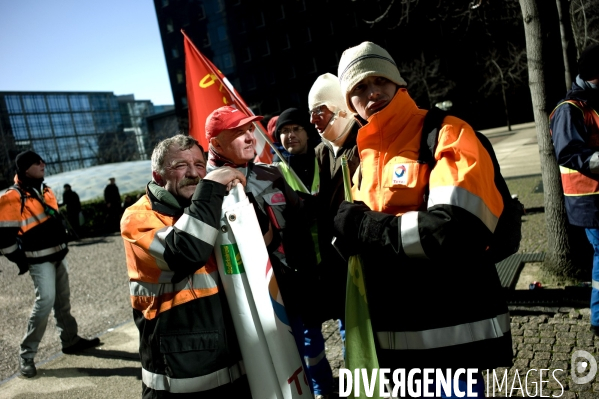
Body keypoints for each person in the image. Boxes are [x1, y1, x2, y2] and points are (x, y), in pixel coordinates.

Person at [333, 41, 513, 395]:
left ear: (398, 83)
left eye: (379, 80)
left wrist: (364, 227)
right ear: (350, 103)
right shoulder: (359, 157)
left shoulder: (446, 132)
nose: (372, 93)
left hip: (451, 341)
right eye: (359, 88)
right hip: (394, 346)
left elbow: (457, 229)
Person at [120, 134, 250, 398]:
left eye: (200, 165)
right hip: (179, 376)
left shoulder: (210, 204)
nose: (194, 173)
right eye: (180, 165)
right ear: (158, 177)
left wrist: (243, 202)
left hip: (232, 361)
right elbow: (186, 252)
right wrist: (212, 184)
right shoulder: (137, 217)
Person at [204, 105, 318, 392]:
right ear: (216, 144)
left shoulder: (271, 174)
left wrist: (306, 270)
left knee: (310, 351)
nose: (249, 137)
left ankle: (322, 389)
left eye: (249, 130)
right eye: (238, 133)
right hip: (247, 304)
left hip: (290, 286)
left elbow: (299, 223)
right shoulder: (203, 190)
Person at [0, 150, 101, 378]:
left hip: (57, 255)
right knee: (44, 302)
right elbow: (3, 238)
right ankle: (26, 355)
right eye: (37, 162)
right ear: (25, 168)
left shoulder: (46, 190)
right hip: (38, 259)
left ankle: (70, 340)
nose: (43, 164)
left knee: (62, 302)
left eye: (42, 160)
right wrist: (20, 260)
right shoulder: (12, 196)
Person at [272, 107, 333, 398]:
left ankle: (359, 384)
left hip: (336, 264)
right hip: (302, 271)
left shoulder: (328, 159)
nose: (290, 135)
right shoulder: (272, 172)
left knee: (351, 329)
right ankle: (323, 389)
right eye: (284, 131)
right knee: (311, 341)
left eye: (296, 128)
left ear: (307, 132)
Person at [308, 72, 361, 348]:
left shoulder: (366, 140)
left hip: (364, 258)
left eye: (319, 110)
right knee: (349, 333)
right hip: (336, 261)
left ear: (340, 107)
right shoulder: (321, 152)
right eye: (311, 113)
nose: (312, 120)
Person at [550, 43, 599, 336]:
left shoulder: (591, 103)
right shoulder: (570, 109)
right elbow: (569, 153)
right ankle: (598, 318)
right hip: (589, 201)